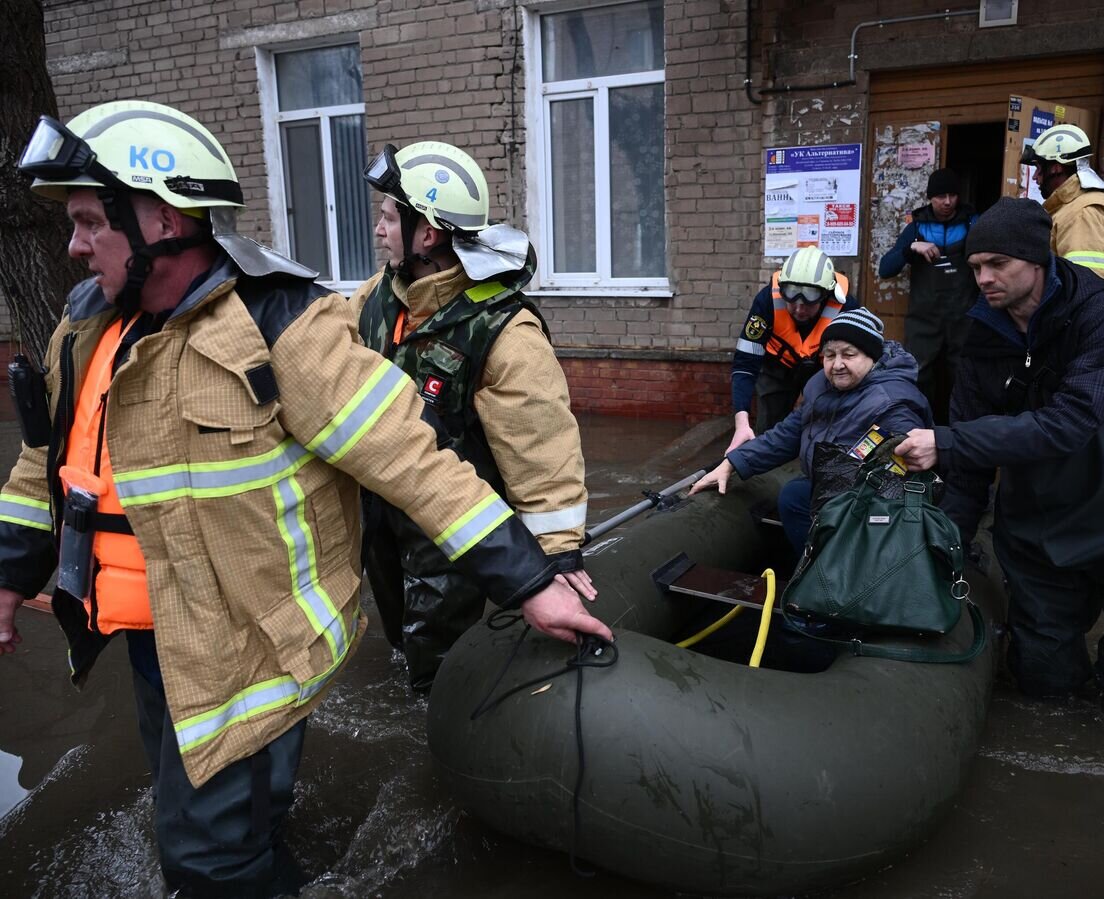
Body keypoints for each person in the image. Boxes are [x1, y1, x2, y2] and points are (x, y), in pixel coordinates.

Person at [0, 100, 610, 897]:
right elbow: (51, 464)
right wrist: (14, 570)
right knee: (223, 821)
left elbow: (422, 457)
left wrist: (541, 574)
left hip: (257, 639)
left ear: (159, 217)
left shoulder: (285, 322)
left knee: (208, 856)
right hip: (158, 624)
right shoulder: (84, 329)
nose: (74, 246)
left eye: (88, 221)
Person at [896, 197, 1104, 710]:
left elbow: (1069, 423)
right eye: (976, 267)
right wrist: (946, 550)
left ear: (1037, 259)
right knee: (1043, 680)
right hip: (1040, 526)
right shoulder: (981, 338)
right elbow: (968, 473)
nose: (985, 278)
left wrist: (945, 440)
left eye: (998, 264)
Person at [351, 141, 590, 692]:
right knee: (398, 634)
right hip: (382, 512)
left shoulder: (505, 331)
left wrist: (556, 559)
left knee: (441, 665)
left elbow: (543, 452)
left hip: (455, 526)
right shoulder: (379, 296)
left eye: (389, 217)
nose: (379, 230)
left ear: (427, 234)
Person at [695, 309, 931, 554]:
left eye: (848, 354)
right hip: (830, 492)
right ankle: (813, 566)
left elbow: (899, 484)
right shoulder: (822, 387)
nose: (837, 364)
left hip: (869, 510)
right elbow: (787, 434)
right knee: (795, 495)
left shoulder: (892, 404)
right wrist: (732, 463)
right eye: (829, 355)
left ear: (872, 357)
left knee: (797, 496)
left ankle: (836, 573)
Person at [727, 247, 858, 453]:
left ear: (825, 294)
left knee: (825, 424)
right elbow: (745, 364)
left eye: (809, 300)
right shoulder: (766, 301)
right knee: (768, 431)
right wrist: (741, 421)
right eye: (792, 299)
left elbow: (861, 364)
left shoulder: (847, 307)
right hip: (777, 366)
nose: (799, 308)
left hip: (823, 370)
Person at [878, 168, 978, 420]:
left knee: (964, 375)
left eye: (953, 195)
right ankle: (918, 431)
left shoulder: (971, 222)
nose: (947, 202)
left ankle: (961, 435)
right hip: (924, 318)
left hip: (963, 317)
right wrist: (911, 247)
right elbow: (886, 269)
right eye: (941, 196)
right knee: (919, 375)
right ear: (930, 198)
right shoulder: (917, 226)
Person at [1020, 123, 1104, 293]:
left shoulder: (1083, 212)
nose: (1034, 177)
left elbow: (1086, 289)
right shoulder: (1071, 208)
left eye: (1039, 168)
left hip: (1083, 319)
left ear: (1056, 167)